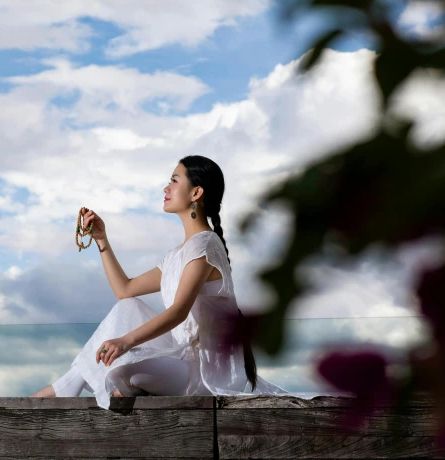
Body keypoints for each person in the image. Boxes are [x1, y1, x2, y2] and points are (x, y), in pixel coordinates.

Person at [30, 155, 320, 410]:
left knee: (121, 373)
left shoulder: (205, 245)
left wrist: (125, 341)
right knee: (127, 308)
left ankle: (106, 387)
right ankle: (67, 387)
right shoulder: (176, 256)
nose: (165, 189)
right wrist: (102, 240)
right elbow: (125, 290)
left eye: (173, 181)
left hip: (205, 372)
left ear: (196, 192)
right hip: (178, 359)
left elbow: (179, 311)